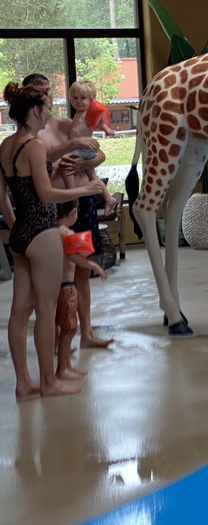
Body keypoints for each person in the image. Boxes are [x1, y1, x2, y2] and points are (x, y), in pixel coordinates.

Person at [0, 82, 105, 398]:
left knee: (19, 313)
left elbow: (4, 196)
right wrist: (83, 190)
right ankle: (48, 381)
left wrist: (72, 143)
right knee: (46, 310)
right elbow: (45, 193)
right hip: (43, 230)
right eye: (46, 109)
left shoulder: (7, 145)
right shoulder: (32, 146)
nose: (49, 117)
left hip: (20, 232)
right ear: (35, 111)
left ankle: (24, 382)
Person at [24, 74, 115, 349]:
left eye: (49, 92)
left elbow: (97, 153)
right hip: (53, 206)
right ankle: (55, 337)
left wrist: (81, 163)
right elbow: (44, 158)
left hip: (80, 204)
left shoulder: (67, 123)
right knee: (55, 273)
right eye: (42, 93)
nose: (48, 97)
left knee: (82, 271)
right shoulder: (29, 136)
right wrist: (70, 147)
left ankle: (86, 332)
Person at [55, 201, 108, 380]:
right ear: (74, 212)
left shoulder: (50, 233)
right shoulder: (68, 233)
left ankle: (65, 365)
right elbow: (73, 257)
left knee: (59, 326)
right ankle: (63, 368)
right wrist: (93, 265)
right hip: (67, 288)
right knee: (69, 328)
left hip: (53, 287)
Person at [65, 81, 119, 215]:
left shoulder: (87, 114)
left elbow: (99, 123)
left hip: (85, 149)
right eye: (75, 98)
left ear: (91, 100)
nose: (78, 101)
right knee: (93, 178)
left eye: (83, 98)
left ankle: (72, 197)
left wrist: (107, 130)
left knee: (67, 165)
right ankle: (108, 198)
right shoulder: (78, 114)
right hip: (79, 149)